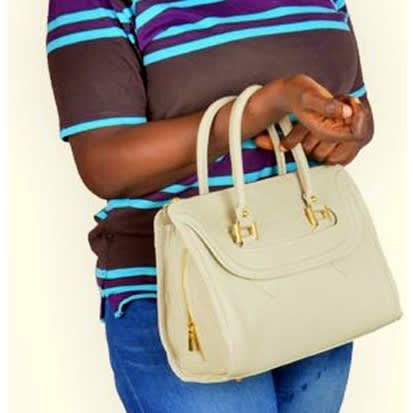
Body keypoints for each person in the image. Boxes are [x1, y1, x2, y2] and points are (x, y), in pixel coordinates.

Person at [46, 0, 374, 411]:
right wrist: (260, 108)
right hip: (184, 297)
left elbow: (351, 100)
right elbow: (104, 164)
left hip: (311, 273)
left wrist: (350, 128)